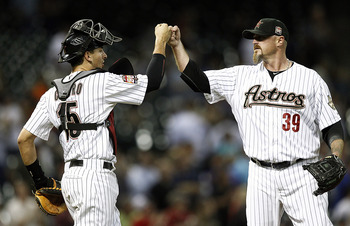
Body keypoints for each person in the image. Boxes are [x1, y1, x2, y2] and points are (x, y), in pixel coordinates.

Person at [167, 18, 345, 225]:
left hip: (302, 171)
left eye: (261, 37)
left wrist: (335, 155)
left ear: (280, 41)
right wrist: (177, 45)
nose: (254, 41)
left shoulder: (310, 79)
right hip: (260, 174)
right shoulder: (240, 76)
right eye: (253, 37)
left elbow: (332, 126)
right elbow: (196, 79)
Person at [17, 19, 171, 226]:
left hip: (72, 179)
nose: (105, 55)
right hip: (94, 178)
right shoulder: (101, 81)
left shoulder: (50, 94)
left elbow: (24, 140)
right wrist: (160, 41)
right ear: (87, 55)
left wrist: (40, 182)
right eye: (100, 50)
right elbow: (153, 80)